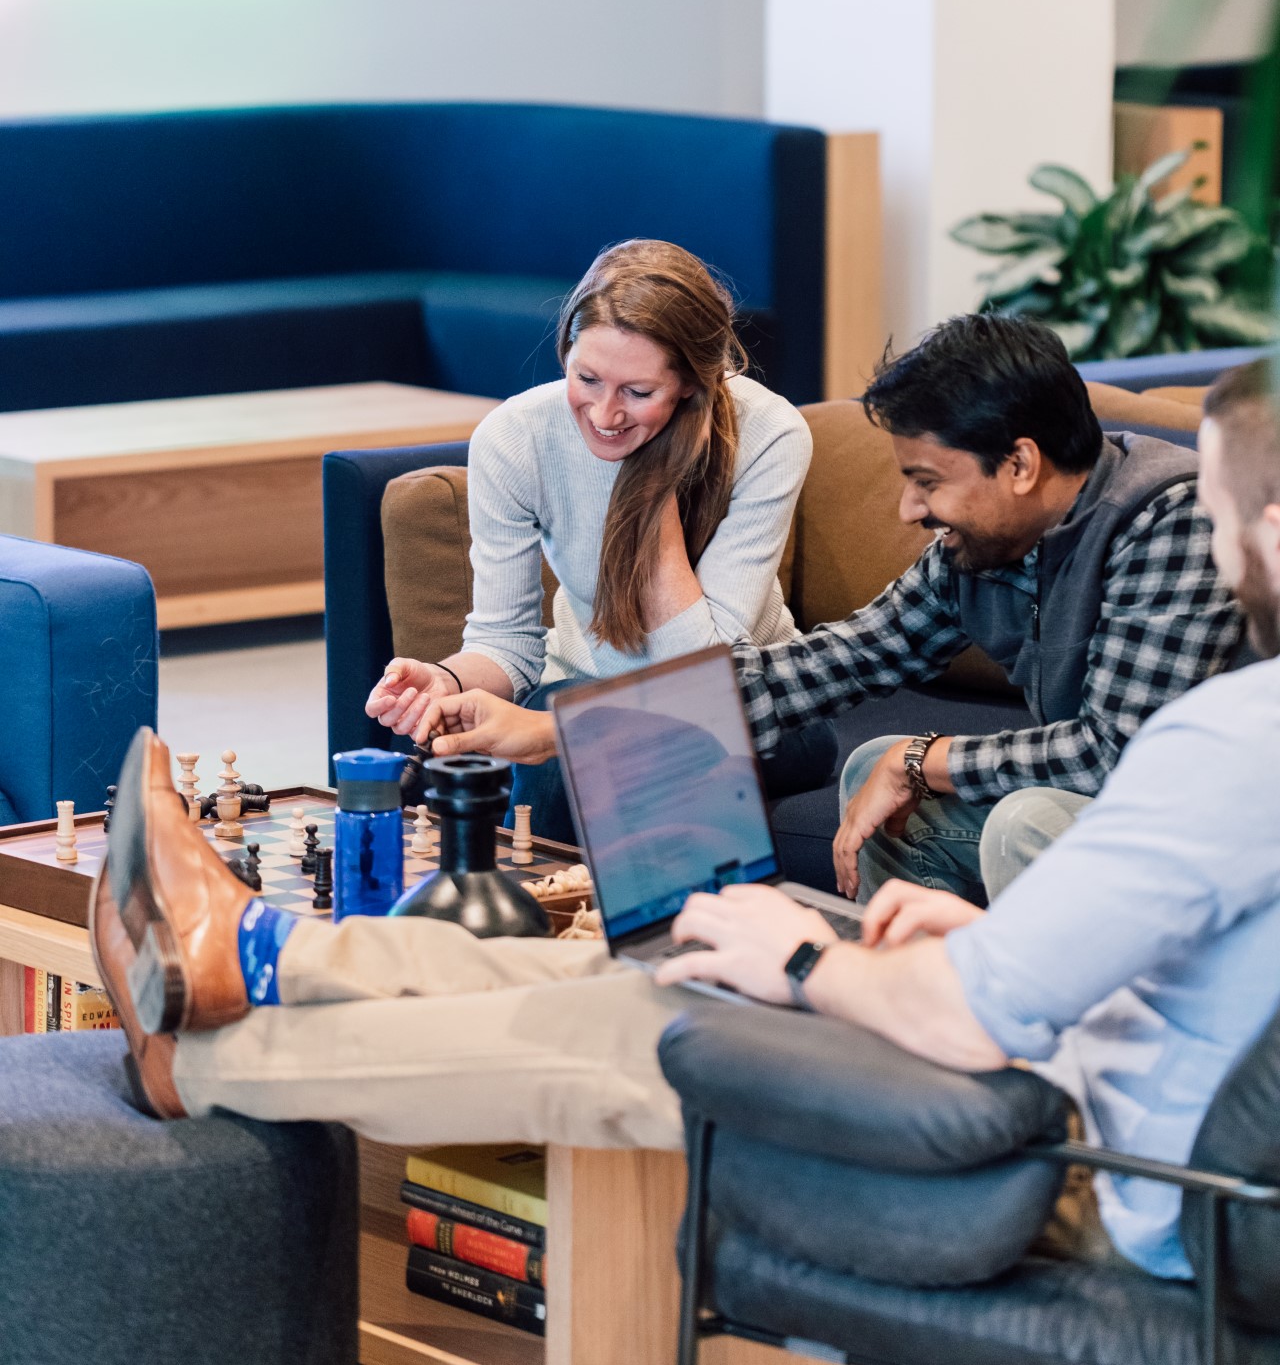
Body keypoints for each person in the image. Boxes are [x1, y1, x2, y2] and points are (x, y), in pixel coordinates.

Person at [92, 356, 1280, 1281]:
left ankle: (208, 1060)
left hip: (1088, 1173)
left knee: (659, 1025)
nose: (1213, 548)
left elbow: (972, 1020)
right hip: (1081, 1084)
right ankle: (264, 952)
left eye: (1222, 516)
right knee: (679, 964)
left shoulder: (1233, 738)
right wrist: (569, 731)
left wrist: (808, 953)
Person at [423, 314, 1244, 904]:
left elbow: (1118, 755)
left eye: (926, 481)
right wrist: (558, 729)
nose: (908, 511)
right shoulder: (981, 545)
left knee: (1017, 816)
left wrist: (926, 757)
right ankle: (909, 1015)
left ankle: (1057, 1066)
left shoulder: (1173, 523)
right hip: (1115, 800)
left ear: (1020, 465)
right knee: (871, 763)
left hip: (1222, 821)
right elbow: (833, 663)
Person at [363, 238, 831, 842]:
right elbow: (507, 643)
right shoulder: (516, 437)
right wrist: (447, 680)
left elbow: (707, 677)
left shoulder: (770, 434)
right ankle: (560, 920)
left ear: (694, 383)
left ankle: (549, 916)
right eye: (586, 378)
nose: (605, 415)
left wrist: (652, 487)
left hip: (757, 710)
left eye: (637, 392)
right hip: (581, 690)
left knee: (578, 730)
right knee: (568, 715)